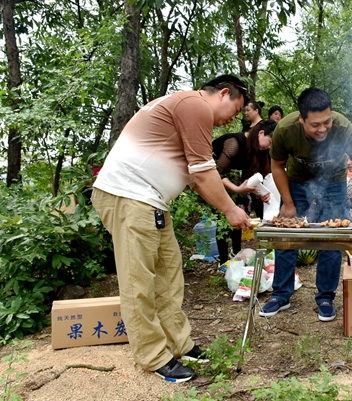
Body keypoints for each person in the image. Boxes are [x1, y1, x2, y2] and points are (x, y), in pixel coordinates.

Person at [91, 75, 252, 383]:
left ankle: (180, 343)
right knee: (139, 281)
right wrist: (231, 210)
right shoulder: (194, 104)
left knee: (169, 273)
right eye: (237, 106)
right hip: (129, 196)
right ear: (223, 93)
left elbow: (197, 177)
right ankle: (153, 356)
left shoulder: (189, 111)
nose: (236, 116)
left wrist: (232, 201)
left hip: (151, 201)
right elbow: (204, 174)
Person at [260, 87, 352, 322]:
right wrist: (288, 202)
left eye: (326, 122)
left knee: (333, 234)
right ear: (301, 119)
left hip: (333, 181)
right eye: (315, 124)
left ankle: (325, 297)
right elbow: (277, 166)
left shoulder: (342, 127)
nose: (322, 129)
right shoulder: (286, 129)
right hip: (298, 181)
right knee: (288, 233)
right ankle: (281, 294)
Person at [212, 119, 277, 265]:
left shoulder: (258, 150)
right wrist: (237, 188)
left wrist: (260, 193)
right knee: (222, 220)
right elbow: (215, 174)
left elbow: (251, 177)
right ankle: (223, 262)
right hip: (216, 183)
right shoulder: (235, 143)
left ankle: (236, 255)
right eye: (270, 141)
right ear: (261, 133)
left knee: (238, 216)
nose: (269, 147)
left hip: (235, 184)